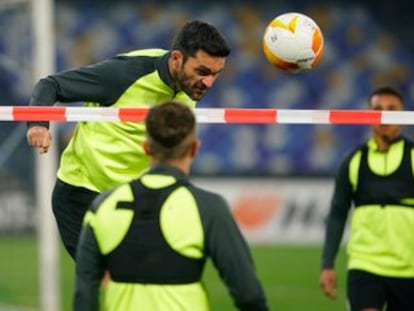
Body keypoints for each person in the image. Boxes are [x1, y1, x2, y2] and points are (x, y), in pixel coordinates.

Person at [26, 19, 230, 259]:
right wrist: (38, 125)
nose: (208, 83)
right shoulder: (125, 74)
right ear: (176, 59)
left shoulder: (188, 86)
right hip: (82, 195)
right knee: (109, 281)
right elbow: (51, 85)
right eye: (202, 72)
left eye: (216, 74)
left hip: (132, 200)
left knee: (148, 280)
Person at [73, 101, 269, 311]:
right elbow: (249, 295)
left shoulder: (103, 205)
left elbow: (84, 295)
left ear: (146, 147)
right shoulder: (208, 208)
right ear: (194, 148)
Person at [320, 86, 414, 311]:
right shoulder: (352, 161)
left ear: (404, 116)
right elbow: (337, 214)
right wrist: (327, 264)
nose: (384, 115)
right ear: (367, 115)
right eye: (377, 109)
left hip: (409, 269)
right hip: (365, 265)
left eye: (392, 110)